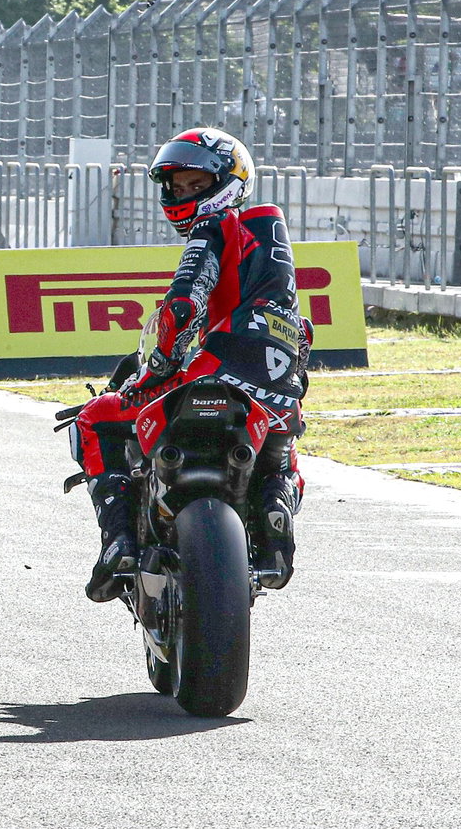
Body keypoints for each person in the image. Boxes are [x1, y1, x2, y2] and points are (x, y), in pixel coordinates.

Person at [71, 127, 311, 603]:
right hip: (280, 388)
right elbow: (301, 337)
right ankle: (275, 507)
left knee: (95, 418)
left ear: (229, 180)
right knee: (284, 453)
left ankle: (117, 540)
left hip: (214, 369)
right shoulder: (271, 240)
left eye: (195, 185)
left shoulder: (214, 227)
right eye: (176, 188)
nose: (183, 196)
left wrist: (156, 369)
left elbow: (184, 305)